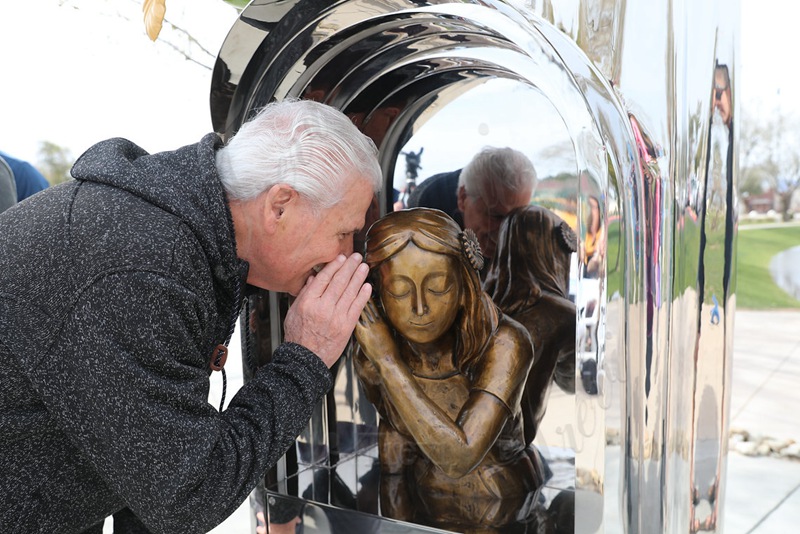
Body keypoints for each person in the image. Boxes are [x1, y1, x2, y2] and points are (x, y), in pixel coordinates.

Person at [0, 99, 382, 533]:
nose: (348, 255)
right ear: (279, 206)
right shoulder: (144, 267)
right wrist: (305, 356)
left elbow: (142, 462)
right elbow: (187, 498)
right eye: (344, 232)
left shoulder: (180, 231)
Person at [354, 208, 544, 534]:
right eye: (399, 290)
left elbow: (460, 457)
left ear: (463, 284)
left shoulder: (506, 343)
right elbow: (395, 440)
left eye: (438, 286)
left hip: (500, 505)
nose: (419, 307)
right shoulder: (380, 338)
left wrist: (388, 363)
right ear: (379, 294)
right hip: (426, 500)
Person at [483, 205, 577, 445]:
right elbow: (573, 382)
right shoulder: (561, 314)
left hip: (473, 438)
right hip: (514, 445)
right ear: (555, 251)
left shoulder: (481, 300)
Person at [406, 146, 537, 263]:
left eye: (517, 218)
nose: (506, 232)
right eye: (496, 216)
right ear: (463, 199)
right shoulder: (423, 229)